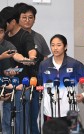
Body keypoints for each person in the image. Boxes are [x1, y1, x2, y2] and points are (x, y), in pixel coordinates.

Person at [38, 34, 84, 125]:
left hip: (70, 110)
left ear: (65, 46)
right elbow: (39, 84)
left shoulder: (74, 64)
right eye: (52, 45)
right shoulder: (44, 65)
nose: (55, 48)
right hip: (50, 111)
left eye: (59, 45)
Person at [13, 3, 51, 133]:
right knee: (20, 119)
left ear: (34, 19)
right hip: (17, 85)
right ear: (17, 19)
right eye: (24, 17)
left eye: (31, 17)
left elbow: (46, 60)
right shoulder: (11, 37)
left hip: (35, 84)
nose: (27, 20)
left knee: (33, 118)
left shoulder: (38, 37)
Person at [0, 6, 37, 134]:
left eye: (5, 24)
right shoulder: (5, 36)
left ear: (13, 22)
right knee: (6, 123)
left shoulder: (24, 36)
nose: (2, 28)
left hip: (22, 87)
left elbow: (22, 53)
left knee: (21, 125)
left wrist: (29, 59)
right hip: (7, 86)